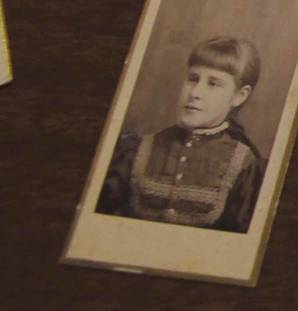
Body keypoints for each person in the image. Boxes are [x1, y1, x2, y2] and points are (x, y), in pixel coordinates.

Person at [97, 36, 266, 233]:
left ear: (239, 95)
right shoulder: (137, 149)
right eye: (193, 79)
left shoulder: (244, 165)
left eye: (213, 83)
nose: (195, 92)